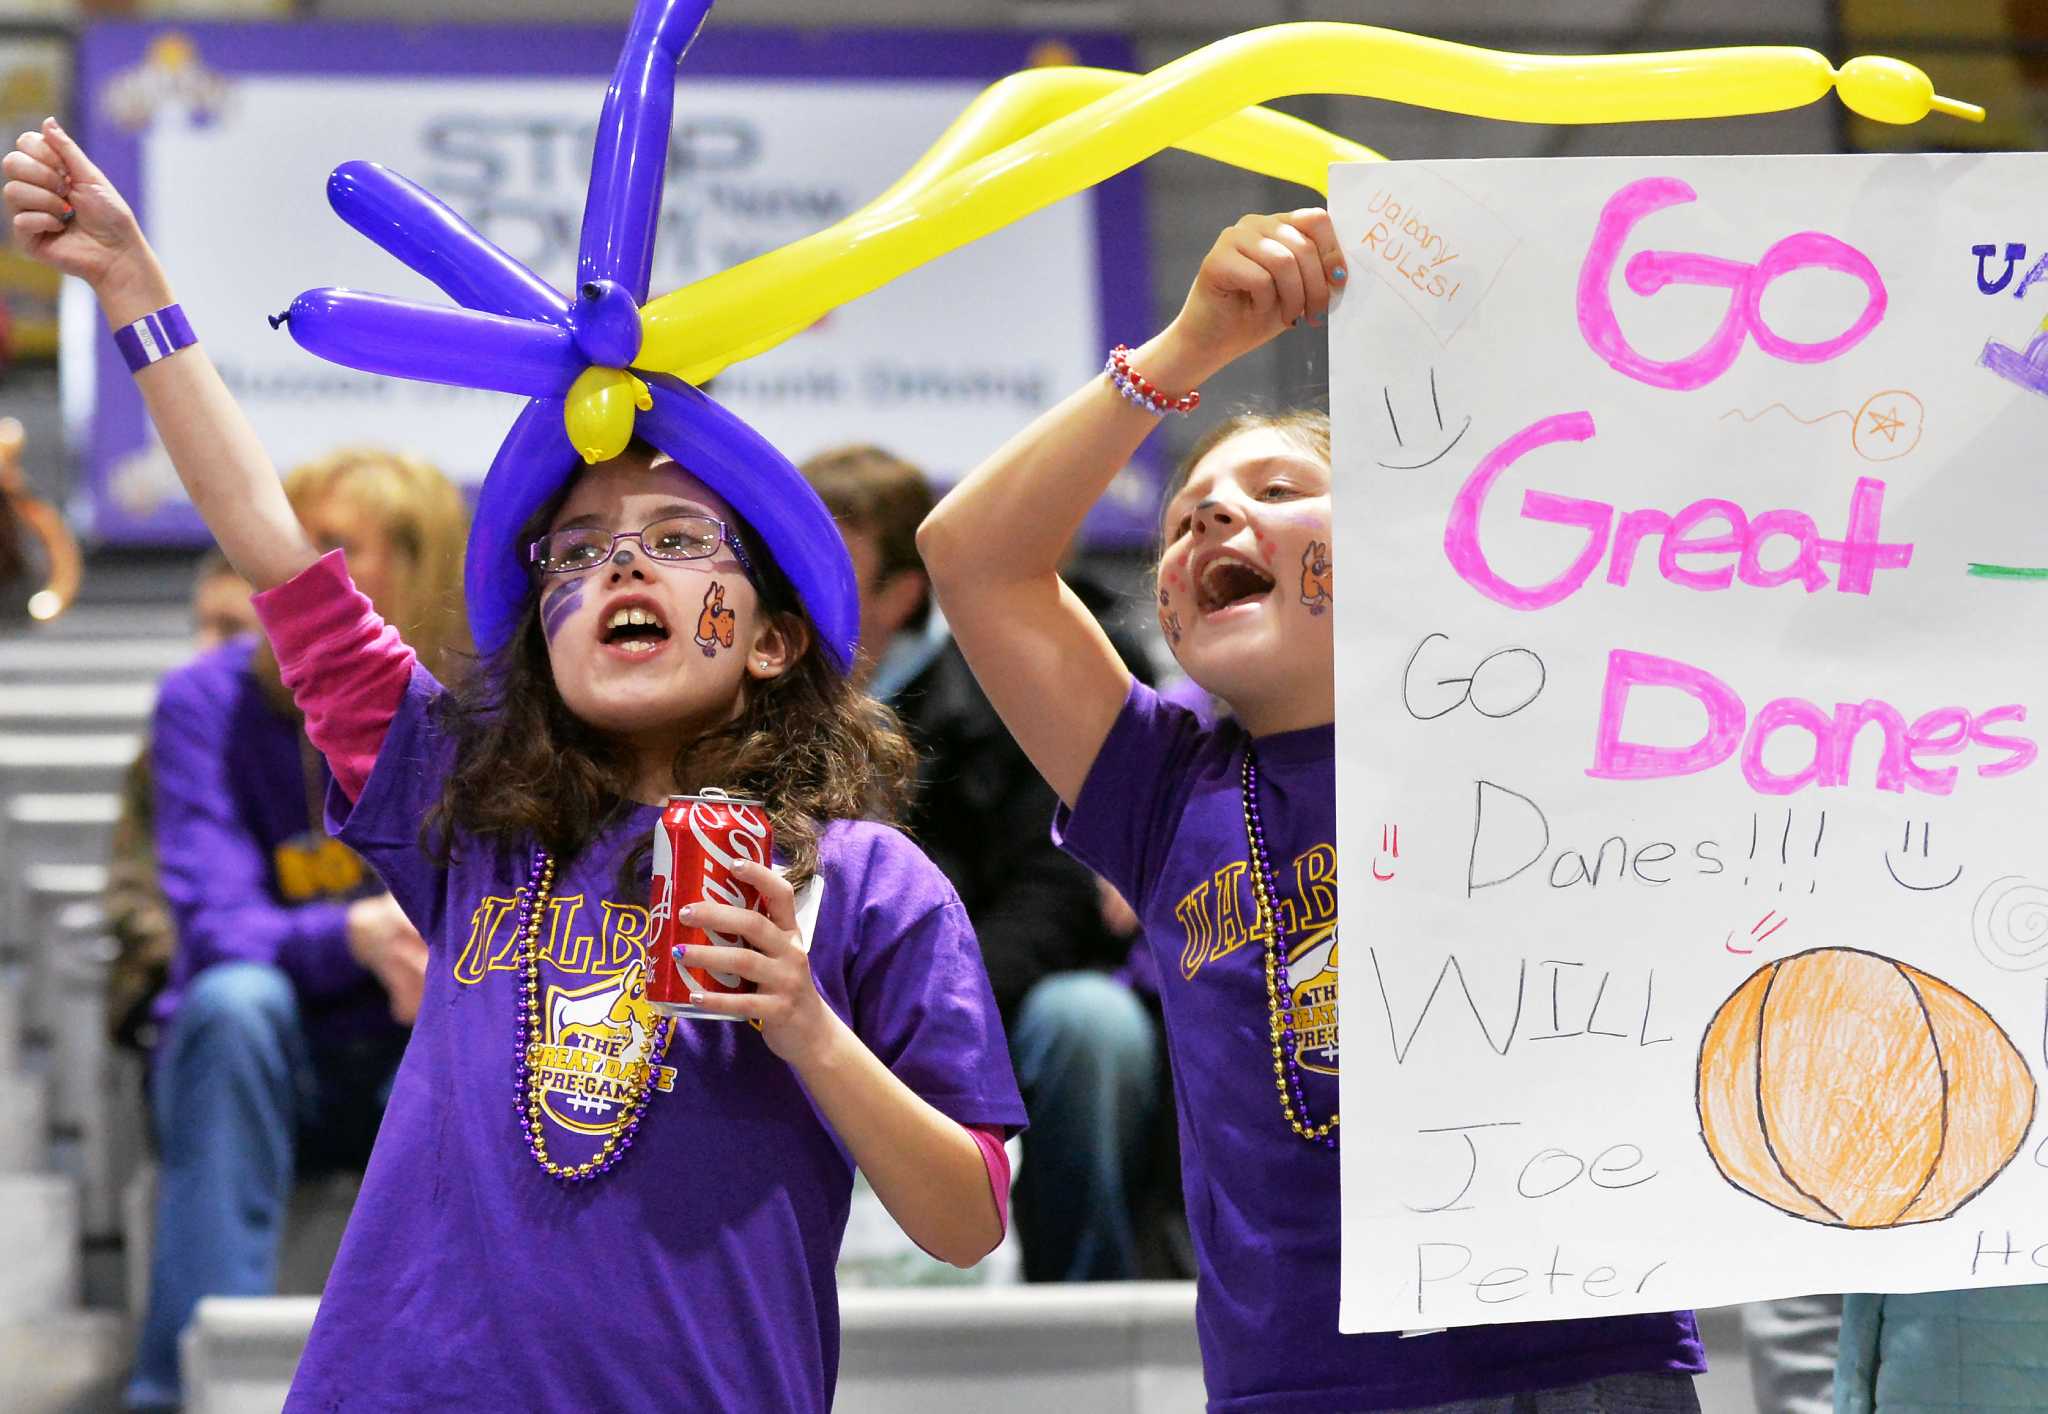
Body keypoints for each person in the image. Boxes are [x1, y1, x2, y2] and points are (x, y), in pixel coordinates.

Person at [7, 117, 1021, 1413]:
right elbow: (274, 550)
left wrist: (805, 1025)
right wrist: (133, 286)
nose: (621, 563)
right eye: (576, 552)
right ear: (543, 628)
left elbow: (966, 1218)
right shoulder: (466, 804)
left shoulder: (872, 884)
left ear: (773, 638)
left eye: (676, 538)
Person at [920, 209, 1707, 1410]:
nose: (1208, 520)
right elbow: (972, 556)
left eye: (1278, 489)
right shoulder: (1160, 784)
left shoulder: (1531, 728)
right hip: (1299, 1382)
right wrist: (1183, 349)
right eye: (1181, 520)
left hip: (1582, 1355)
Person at [121, 449, 468, 1411]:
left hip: (414, 1055)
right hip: (267, 1059)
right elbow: (217, 928)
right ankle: (186, 1389)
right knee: (234, 1004)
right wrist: (356, 936)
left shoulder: (473, 715)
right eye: (283, 538)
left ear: (417, 566)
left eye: (331, 544)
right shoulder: (206, 701)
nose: (286, 567)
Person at [804, 444, 1172, 1282]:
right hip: (801, 1001)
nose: (795, 588)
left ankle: (1083, 1310)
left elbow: (1054, 893)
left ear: (902, 594)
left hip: (982, 996)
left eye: (827, 569)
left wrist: (926, 1008)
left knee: (1092, 1026)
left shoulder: (1000, 687)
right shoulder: (747, 696)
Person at [104, 549, 257, 1055]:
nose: (204, 646)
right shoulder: (163, 750)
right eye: (201, 625)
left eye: (230, 629)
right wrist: (205, 942)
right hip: (198, 986)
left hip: (317, 989)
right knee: (236, 1004)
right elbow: (131, 894)